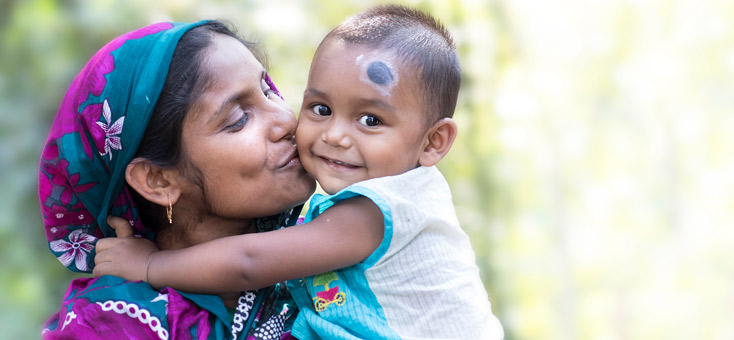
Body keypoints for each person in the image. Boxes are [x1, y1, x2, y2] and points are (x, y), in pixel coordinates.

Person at [95, 5, 504, 339]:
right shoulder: (110, 324)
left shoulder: (377, 210)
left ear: (433, 142)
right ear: (158, 179)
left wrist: (150, 267)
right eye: (321, 110)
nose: (335, 136)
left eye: (371, 120)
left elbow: (248, 262)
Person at [38, 20, 316, 339]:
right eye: (239, 120)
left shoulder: (330, 240)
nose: (286, 120)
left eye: (268, 90)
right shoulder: (112, 324)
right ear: (158, 180)